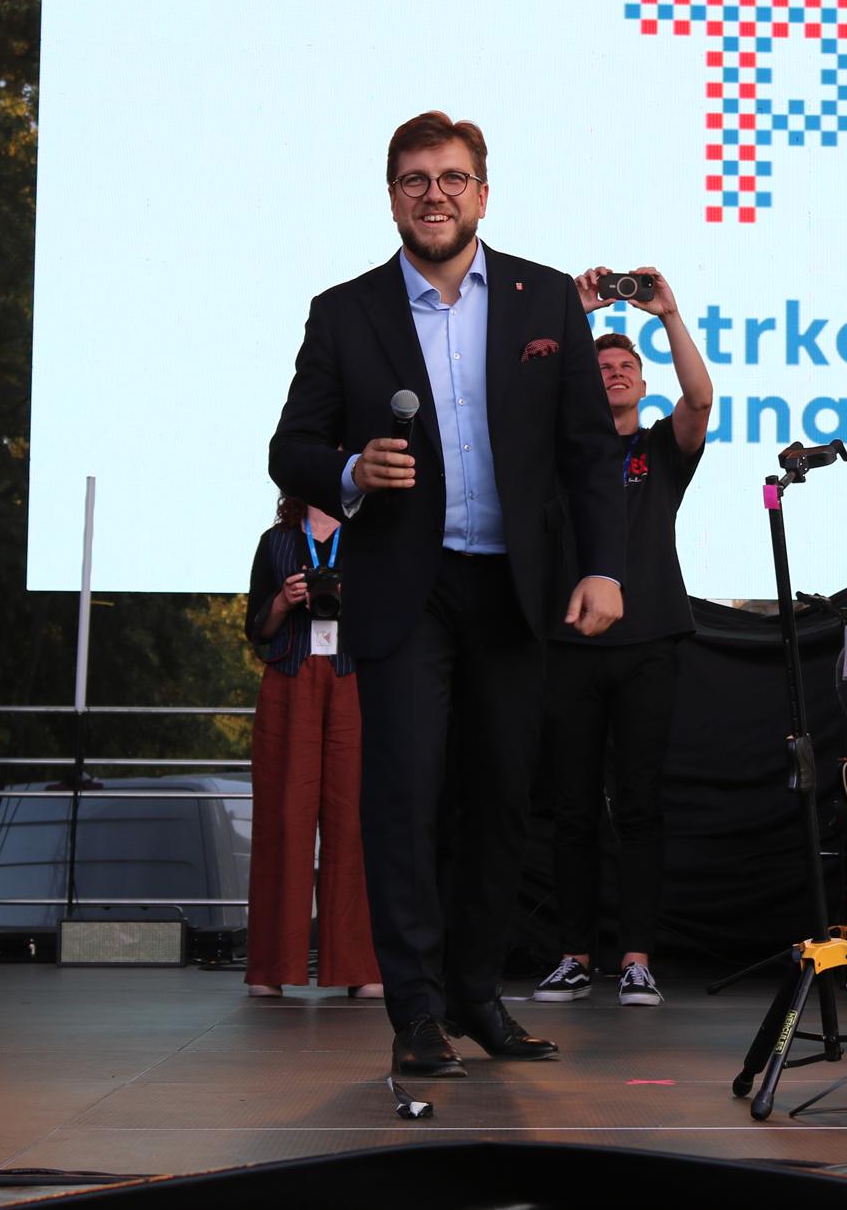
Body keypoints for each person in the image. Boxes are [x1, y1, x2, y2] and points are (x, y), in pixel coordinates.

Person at [268, 111, 627, 1079]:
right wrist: (350, 468)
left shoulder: (545, 299)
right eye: (416, 179)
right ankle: (417, 1011)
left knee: (503, 802)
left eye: (453, 177)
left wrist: (603, 566)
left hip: (514, 588)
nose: (435, 194)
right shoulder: (344, 312)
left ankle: (475, 992)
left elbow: (589, 452)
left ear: (483, 193)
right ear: (392, 197)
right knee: (405, 800)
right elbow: (289, 447)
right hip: (405, 590)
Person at [532, 271, 712, 1009]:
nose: (612, 374)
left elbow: (700, 400)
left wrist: (668, 314)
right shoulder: (559, 450)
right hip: (569, 645)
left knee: (638, 804)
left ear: (642, 382)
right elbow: (519, 392)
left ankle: (636, 957)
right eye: (600, 366)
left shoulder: (660, 448)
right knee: (573, 807)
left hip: (648, 646)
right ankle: (574, 955)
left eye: (624, 367)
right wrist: (570, 315)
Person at [242, 498, 383, 1000]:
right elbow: (256, 628)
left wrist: (352, 596)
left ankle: (359, 966)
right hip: (291, 675)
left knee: (354, 821)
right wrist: (283, 600)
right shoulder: (276, 541)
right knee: (284, 819)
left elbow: (395, 614)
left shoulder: (372, 534)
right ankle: (271, 966)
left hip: (353, 678)